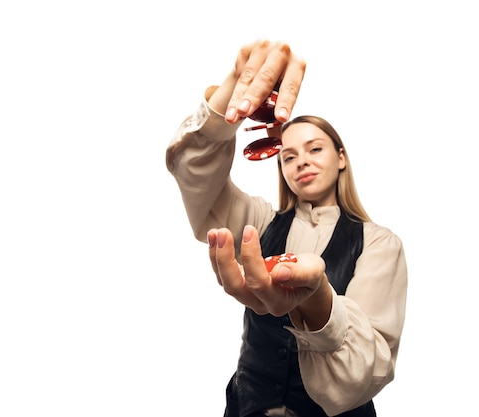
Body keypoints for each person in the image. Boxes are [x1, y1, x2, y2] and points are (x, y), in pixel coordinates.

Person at [165, 39, 408, 417]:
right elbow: (193, 169)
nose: (301, 162)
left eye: (314, 149)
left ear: (341, 157)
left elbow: (368, 368)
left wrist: (318, 303)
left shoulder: (378, 243)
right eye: (288, 155)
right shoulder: (259, 222)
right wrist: (232, 96)